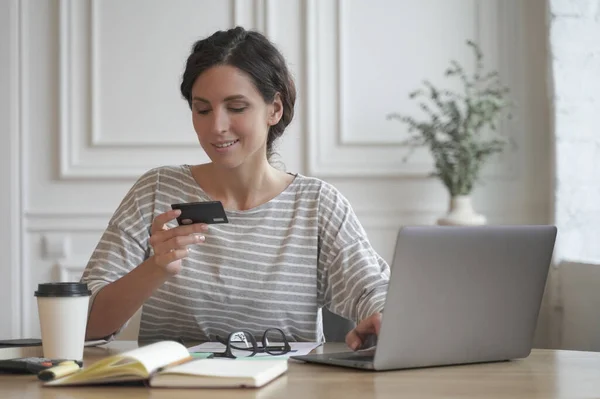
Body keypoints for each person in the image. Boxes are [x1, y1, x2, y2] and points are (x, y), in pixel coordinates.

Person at [81, 26, 390, 351]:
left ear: (274, 109)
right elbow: (86, 325)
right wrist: (155, 268)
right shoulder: (157, 189)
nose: (216, 126)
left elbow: (372, 291)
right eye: (202, 110)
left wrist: (382, 319)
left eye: (237, 107)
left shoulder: (317, 205)